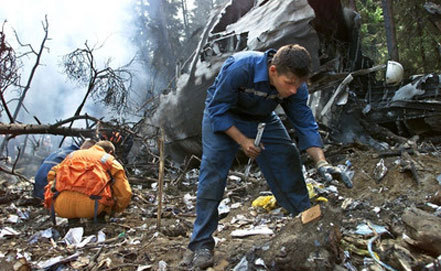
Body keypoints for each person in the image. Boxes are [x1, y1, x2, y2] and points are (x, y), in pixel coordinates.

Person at [182, 44, 351, 269]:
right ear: (273, 71)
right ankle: (201, 244)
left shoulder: (296, 87)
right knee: (213, 172)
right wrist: (243, 141)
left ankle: (305, 220)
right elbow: (216, 110)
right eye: (289, 83)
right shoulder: (240, 68)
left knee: (287, 156)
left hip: (261, 117)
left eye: (298, 84)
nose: (293, 90)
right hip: (225, 117)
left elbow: (305, 124)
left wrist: (322, 163)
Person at [43, 140, 132, 222]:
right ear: (110, 152)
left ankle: (72, 222)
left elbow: (51, 174)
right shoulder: (109, 160)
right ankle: (99, 222)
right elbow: (125, 193)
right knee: (111, 187)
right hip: (93, 208)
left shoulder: (72, 155)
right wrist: (115, 209)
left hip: (61, 207)